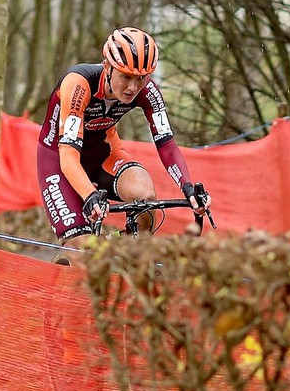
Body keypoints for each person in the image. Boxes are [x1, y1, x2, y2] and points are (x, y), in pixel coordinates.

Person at [36, 26, 211, 250]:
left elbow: (166, 143)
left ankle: (116, 250)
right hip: (59, 161)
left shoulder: (147, 90)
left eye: (140, 78)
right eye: (125, 77)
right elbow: (68, 155)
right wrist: (89, 195)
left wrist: (187, 187)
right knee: (82, 250)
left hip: (104, 154)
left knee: (145, 201)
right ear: (107, 66)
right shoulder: (78, 84)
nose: (132, 87)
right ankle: (88, 254)